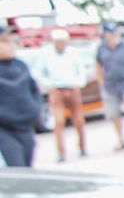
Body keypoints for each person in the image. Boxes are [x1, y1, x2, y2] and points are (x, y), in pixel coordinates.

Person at [37, 29, 89, 161]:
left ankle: (82, 147)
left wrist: (78, 84)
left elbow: (81, 70)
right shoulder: (46, 54)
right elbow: (39, 72)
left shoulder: (73, 53)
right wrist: (49, 85)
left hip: (72, 88)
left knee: (78, 120)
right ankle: (61, 152)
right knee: (58, 121)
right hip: (57, 89)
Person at [0, 25, 42, 167]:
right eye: (5, 41)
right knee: (16, 170)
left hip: (26, 129)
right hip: (4, 131)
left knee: (27, 170)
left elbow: (34, 91)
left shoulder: (20, 66)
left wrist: (34, 111)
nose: (11, 46)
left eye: (12, 41)